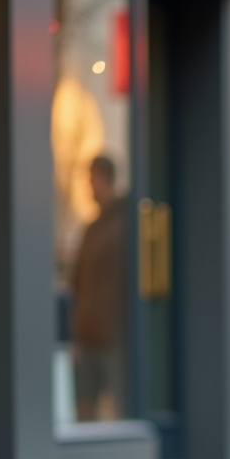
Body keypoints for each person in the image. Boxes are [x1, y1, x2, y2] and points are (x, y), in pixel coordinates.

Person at [71, 155, 127, 422]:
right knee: (84, 410)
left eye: (91, 178)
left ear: (105, 179)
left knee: (119, 410)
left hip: (114, 337)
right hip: (86, 336)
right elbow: (77, 284)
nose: (88, 185)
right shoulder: (91, 229)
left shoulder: (124, 226)